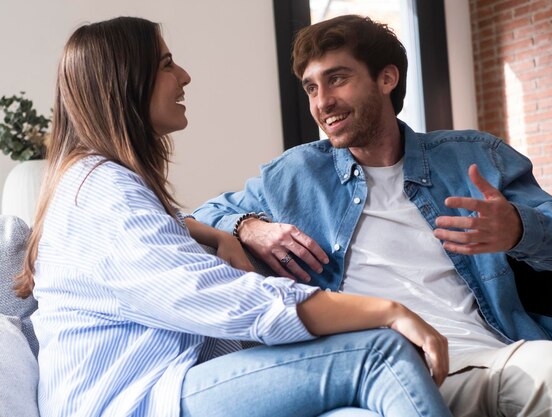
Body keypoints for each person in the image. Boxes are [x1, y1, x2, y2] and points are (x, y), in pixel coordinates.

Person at [13, 16, 456, 417]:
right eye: (167, 65)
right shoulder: (102, 191)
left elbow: (148, 248)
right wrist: (387, 311)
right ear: (124, 81)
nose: (184, 77)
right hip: (133, 399)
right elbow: (225, 299)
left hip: (158, 388)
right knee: (379, 352)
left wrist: (220, 232)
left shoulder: (93, 183)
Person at [193, 14, 552, 417]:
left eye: (337, 79)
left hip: (511, 343)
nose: (323, 102)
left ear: (386, 78)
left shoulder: (474, 154)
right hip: (424, 370)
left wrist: (517, 228)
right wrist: (248, 227)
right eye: (311, 88)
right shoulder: (296, 174)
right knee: (550, 369)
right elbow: (199, 215)